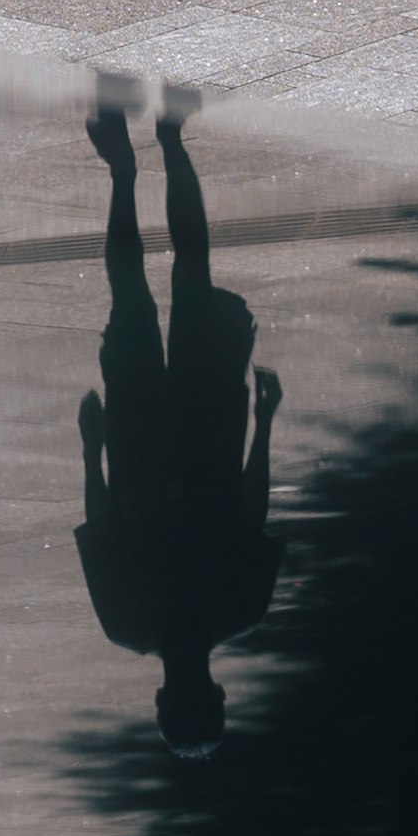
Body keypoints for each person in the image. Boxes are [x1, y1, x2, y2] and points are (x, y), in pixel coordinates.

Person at [74, 100, 278, 757]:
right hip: (138, 437)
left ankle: (168, 146)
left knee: (189, 274)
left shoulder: (242, 609)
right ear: (162, 700)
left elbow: (252, 508)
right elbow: (100, 521)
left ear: (219, 695)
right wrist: (90, 448)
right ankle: (128, 170)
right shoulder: (124, 622)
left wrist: (265, 426)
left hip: (207, 424)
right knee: (131, 290)